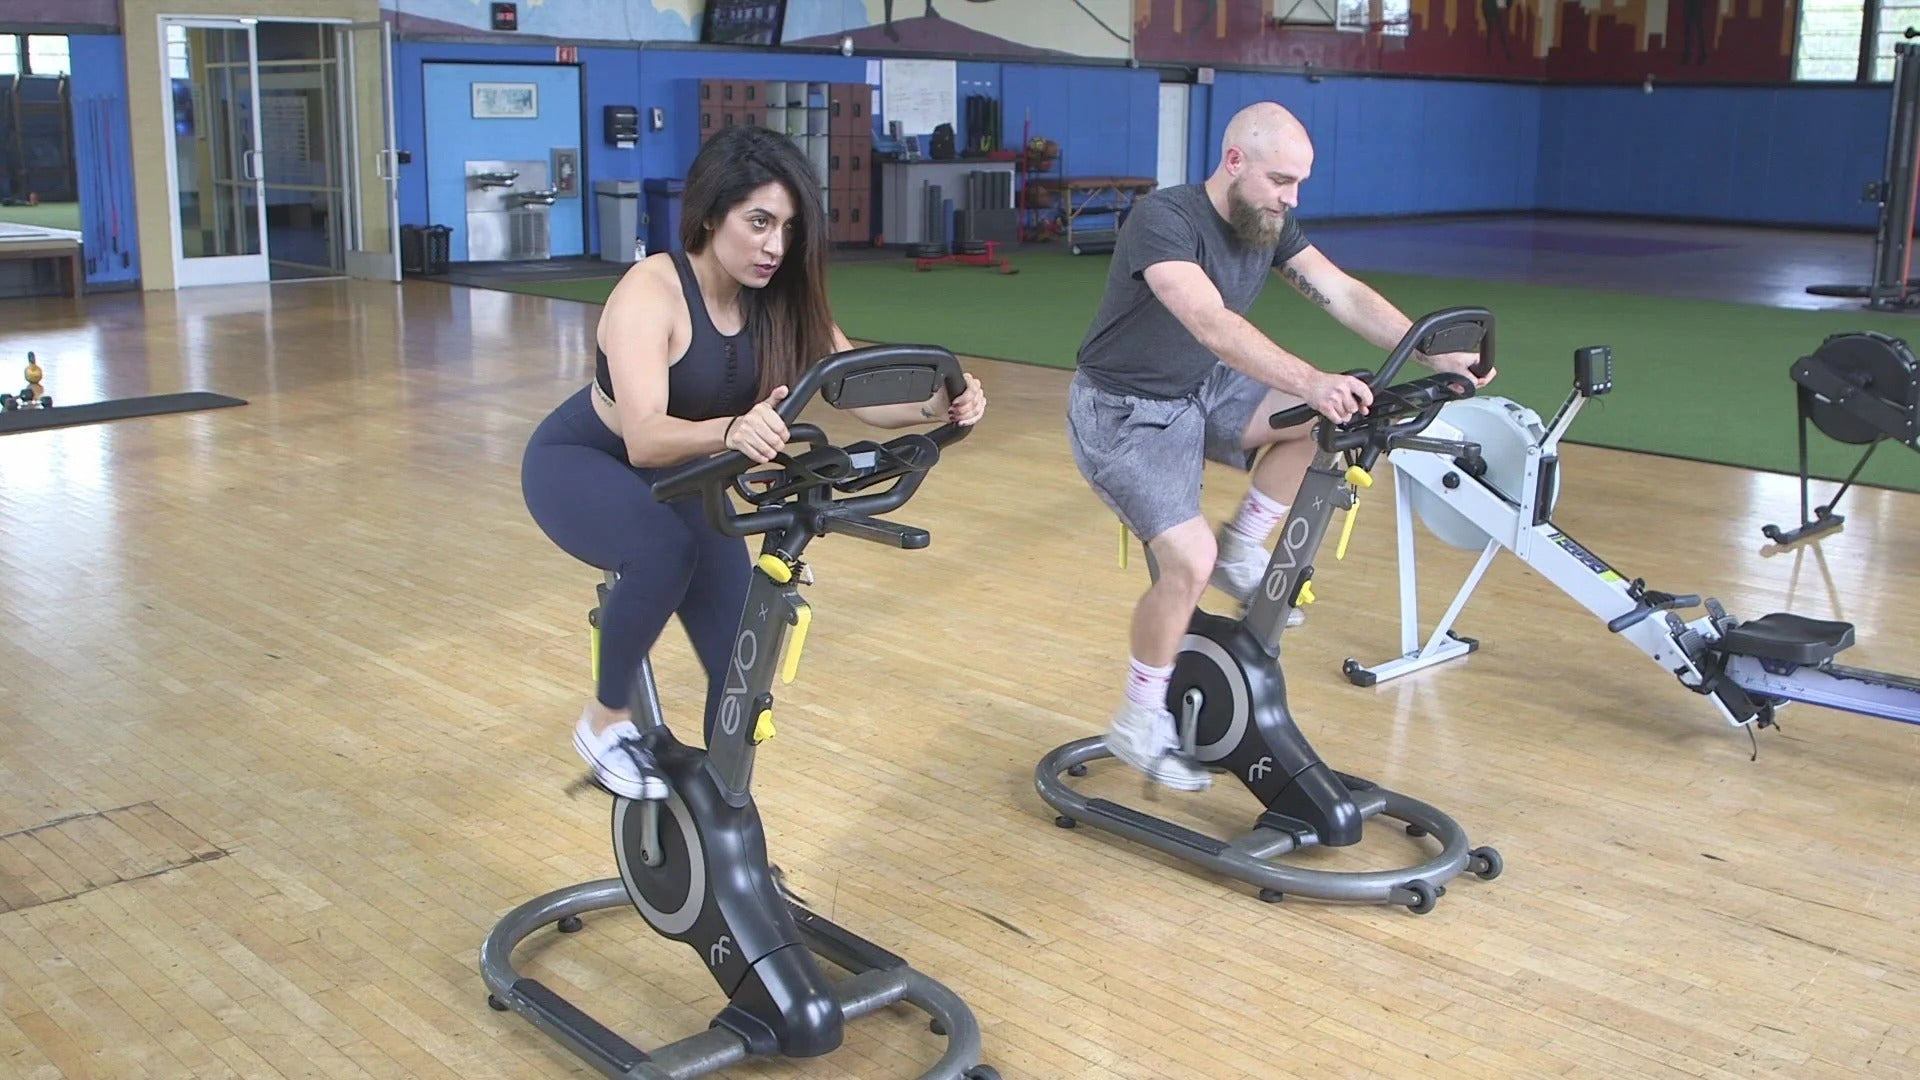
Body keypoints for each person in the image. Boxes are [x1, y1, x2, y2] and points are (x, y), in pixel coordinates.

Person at [522, 123, 987, 800]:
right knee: (661, 552)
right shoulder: (652, 291)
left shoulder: (780, 300)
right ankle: (605, 720)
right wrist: (735, 429)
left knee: (739, 662)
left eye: (788, 228)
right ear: (712, 215)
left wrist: (939, 409)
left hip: (687, 479)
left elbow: (851, 391)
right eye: (759, 222)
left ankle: (723, 835)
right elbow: (645, 438)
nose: (775, 246)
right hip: (584, 462)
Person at [1066, 101, 1495, 792]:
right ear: (1234, 161)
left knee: (1331, 415)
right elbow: (1210, 323)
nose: (1291, 199)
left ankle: (1247, 544)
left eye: (1299, 185)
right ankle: (1139, 715)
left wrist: (1434, 351)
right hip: (1125, 410)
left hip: (1200, 388)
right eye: (1281, 181)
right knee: (1188, 563)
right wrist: (1309, 378)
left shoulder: (1266, 220)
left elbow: (1343, 294)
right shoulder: (1164, 220)